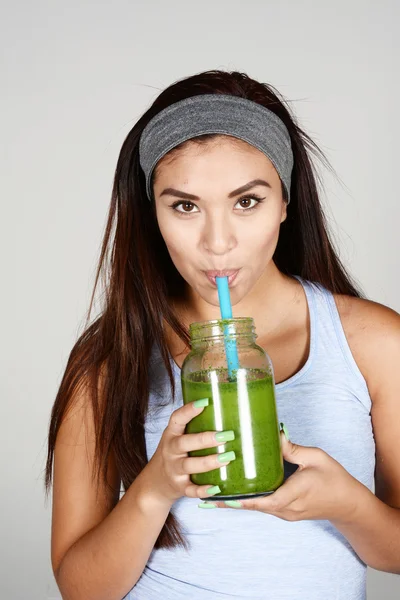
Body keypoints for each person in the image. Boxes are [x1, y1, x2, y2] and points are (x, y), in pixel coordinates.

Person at [45, 69, 400, 600]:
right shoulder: (109, 358)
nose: (217, 243)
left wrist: (348, 505)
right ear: (153, 215)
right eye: (184, 206)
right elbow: (80, 588)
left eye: (247, 201)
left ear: (286, 202)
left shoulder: (374, 343)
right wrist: (154, 490)